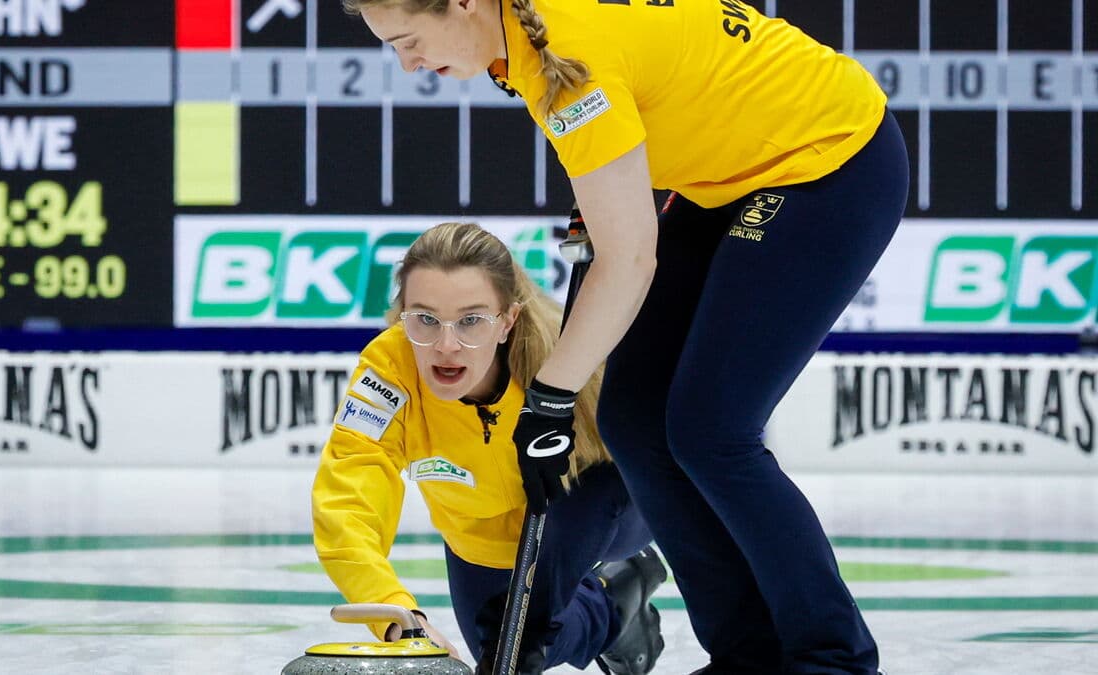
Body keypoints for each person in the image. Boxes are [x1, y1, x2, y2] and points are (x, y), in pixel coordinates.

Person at [342, 1, 909, 674]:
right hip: (720, 172)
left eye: (406, 40)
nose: (406, 63)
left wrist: (551, 396)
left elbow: (630, 259)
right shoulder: (519, 35)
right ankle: (747, 654)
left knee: (712, 429)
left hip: (827, 162)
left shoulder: (574, 64)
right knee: (633, 420)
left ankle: (833, 659)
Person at [312, 221, 668, 674]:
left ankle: (568, 600)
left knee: (519, 643)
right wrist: (394, 615)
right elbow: (347, 499)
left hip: (594, 512)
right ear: (401, 315)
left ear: (507, 321)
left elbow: (656, 450)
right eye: (424, 319)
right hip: (479, 538)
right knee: (502, 651)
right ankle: (615, 605)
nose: (446, 346)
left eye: (471, 321)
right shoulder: (387, 373)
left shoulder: (564, 357)